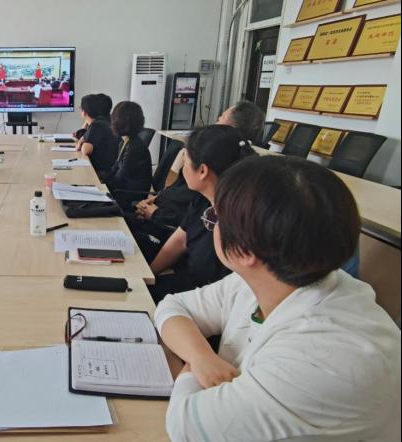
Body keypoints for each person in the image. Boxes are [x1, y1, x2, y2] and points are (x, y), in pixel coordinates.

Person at [155, 155, 401, 441]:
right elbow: (173, 307)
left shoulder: (323, 359)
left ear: (245, 251)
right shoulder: (271, 278)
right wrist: (202, 358)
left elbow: (184, 424)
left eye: (216, 218)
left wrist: (189, 361)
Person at [130, 102, 265, 261]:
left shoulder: (213, 196)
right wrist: (156, 199)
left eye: (221, 118)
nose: (215, 121)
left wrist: (155, 215)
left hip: (162, 229)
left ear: (203, 171)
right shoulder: (206, 195)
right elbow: (181, 234)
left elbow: (185, 239)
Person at [149, 125, 254, 303]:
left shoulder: (239, 218)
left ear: (203, 171)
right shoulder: (202, 199)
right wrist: (149, 276)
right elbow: (180, 239)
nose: (183, 168)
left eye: (185, 161)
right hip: (189, 281)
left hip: (211, 297)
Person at [103, 101, 152, 207]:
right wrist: (101, 179)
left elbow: (120, 177)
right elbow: (115, 168)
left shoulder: (135, 147)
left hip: (130, 195)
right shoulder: (126, 141)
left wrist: (101, 187)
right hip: (123, 189)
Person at [76, 94, 118, 178]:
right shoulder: (101, 122)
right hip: (108, 168)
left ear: (84, 112)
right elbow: (82, 137)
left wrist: (81, 141)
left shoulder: (97, 125)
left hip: (102, 171)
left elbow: (85, 150)